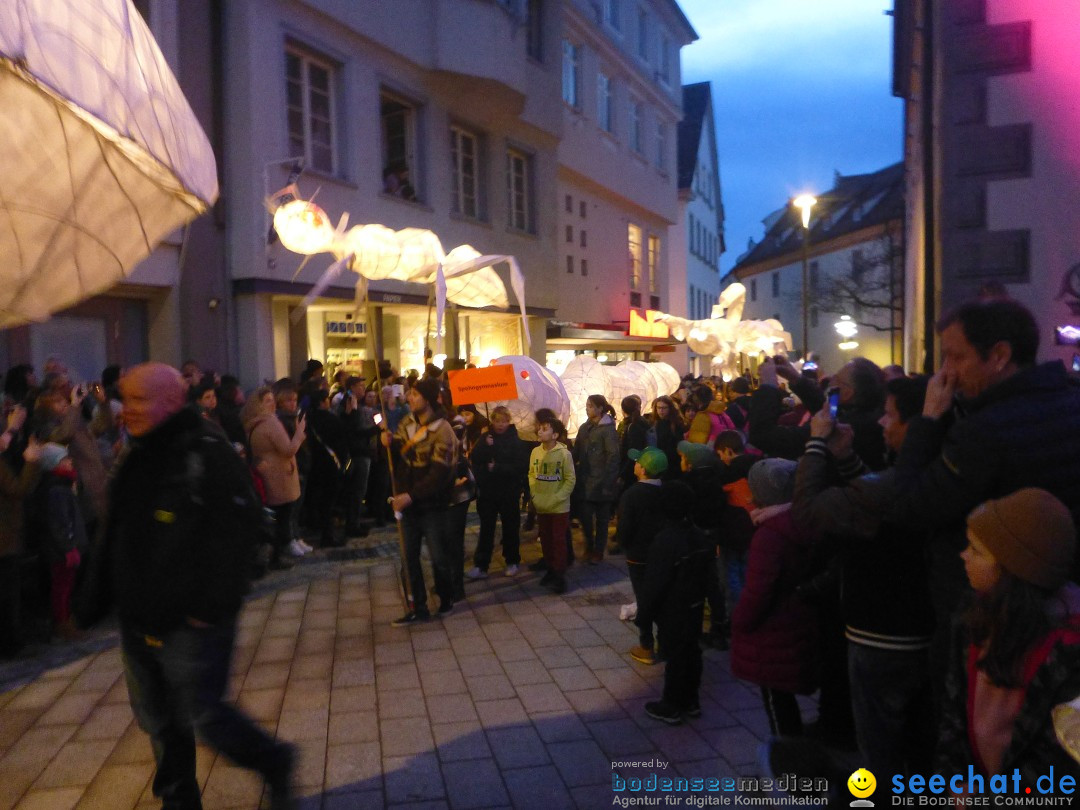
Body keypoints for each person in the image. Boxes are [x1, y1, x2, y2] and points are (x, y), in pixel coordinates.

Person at [98, 363, 296, 809]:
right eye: (123, 398)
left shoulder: (206, 451)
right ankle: (179, 801)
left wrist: (209, 605)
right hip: (139, 615)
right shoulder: (138, 453)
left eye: (137, 400)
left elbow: (241, 528)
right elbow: (119, 529)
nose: (125, 409)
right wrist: (97, 595)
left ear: (169, 401)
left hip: (192, 617)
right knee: (160, 721)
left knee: (205, 714)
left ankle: (274, 760)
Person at [792, 375, 936, 775]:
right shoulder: (932, 473)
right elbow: (874, 501)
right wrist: (846, 458)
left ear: (917, 424)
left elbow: (808, 512)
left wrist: (818, 444)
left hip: (882, 636)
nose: (880, 423)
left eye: (890, 416)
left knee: (881, 748)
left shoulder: (896, 485)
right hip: (916, 629)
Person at [937, 488, 1080, 784]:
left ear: (1014, 571)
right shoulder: (973, 617)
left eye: (976, 550)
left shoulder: (1068, 651)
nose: (963, 556)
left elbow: (1057, 765)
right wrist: (954, 779)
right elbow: (953, 711)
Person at [731, 458, 822, 737]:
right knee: (784, 697)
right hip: (798, 619)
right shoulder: (804, 520)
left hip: (773, 629)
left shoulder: (769, 535)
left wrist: (740, 620)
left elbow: (759, 590)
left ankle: (788, 770)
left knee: (776, 702)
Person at [636, 480, 714, 724]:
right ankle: (691, 700)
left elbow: (655, 583)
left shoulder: (666, 541)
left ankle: (672, 704)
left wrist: (644, 615)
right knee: (691, 651)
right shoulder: (698, 536)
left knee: (675, 656)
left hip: (672, 608)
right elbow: (711, 578)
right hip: (694, 604)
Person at [383, 377, 457, 625]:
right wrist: (387, 444)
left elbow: (439, 474)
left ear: (427, 397)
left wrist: (411, 495)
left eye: (414, 394)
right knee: (408, 557)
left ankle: (446, 597)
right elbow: (398, 461)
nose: (409, 398)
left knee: (438, 556)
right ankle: (417, 606)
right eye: (409, 394)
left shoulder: (443, 430)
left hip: (432, 505)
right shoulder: (406, 423)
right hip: (408, 505)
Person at [244, 386, 308, 566]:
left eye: (273, 400)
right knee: (282, 516)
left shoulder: (252, 423)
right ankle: (277, 556)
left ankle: (277, 553)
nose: (272, 404)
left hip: (269, 473)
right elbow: (288, 449)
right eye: (267, 401)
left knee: (277, 516)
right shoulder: (270, 423)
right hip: (280, 475)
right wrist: (299, 434)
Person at [618, 447, 668, 665]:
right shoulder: (666, 492)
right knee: (663, 596)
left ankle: (646, 645)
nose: (634, 464)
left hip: (638, 555)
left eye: (637, 462)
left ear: (643, 469)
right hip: (662, 554)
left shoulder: (632, 494)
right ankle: (665, 642)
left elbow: (625, 527)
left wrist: (622, 543)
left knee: (644, 598)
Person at [33, 443, 87, 639]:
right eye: (65, 459)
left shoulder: (63, 485)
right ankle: (62, 622)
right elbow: (59, 522)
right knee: (62, 587)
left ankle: (66, 619)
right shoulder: (56, 489)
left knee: (67, 585)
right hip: (62, 550)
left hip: (66, 547)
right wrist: (68, 547)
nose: (70, 461)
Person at [0, 411, 42, 657]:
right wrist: (33, 460)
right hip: (4, 537)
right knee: (7, 595)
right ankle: (10, 646)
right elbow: (19, 489)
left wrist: (12, 429)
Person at [468, 405, 527, 578]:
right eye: (497, 421)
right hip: (488, 492)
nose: (500, 425)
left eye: (504, 421)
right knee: (486, 528)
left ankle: (512, 560)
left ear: (509, 422)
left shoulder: (516, 440)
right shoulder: (486, 437)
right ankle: (481, 564)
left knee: (510, 526)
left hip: (508, 491)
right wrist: (486, 446)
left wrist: (498, 467)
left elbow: (520, 466)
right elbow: (476, 459)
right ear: (492, 421)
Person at [528, 417, 576, 594]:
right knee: (546, 539)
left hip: (559, 506)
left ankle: (559, 575)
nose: (540, 431)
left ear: (555, 434)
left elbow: (570, 479)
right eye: (539, 428)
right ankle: (549, 568)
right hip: (541, 504)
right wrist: (534, 494)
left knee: (558, 540)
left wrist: (559, 497)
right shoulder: (535, 453)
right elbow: (532, 474)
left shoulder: (564, 454)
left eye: (545, 429)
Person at [573, 394, 619, 564]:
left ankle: (598, 550)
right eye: (587, 405)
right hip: (585, 480)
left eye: (591, 405)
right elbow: (576, 450)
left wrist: (608, 481)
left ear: (600, 408)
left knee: (602, 519)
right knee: (585, 517)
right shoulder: (584, 428)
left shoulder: (608, 429)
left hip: (602, 481)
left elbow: (613, 456)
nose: (587, 408)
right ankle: (589, 546)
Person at [648, 395, 685, 478]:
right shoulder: (653, 423)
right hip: (657, 461)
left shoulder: (676, 423)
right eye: (659, 408)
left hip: (672, 462)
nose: (661, 411)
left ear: (670, 408)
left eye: (664, 408)